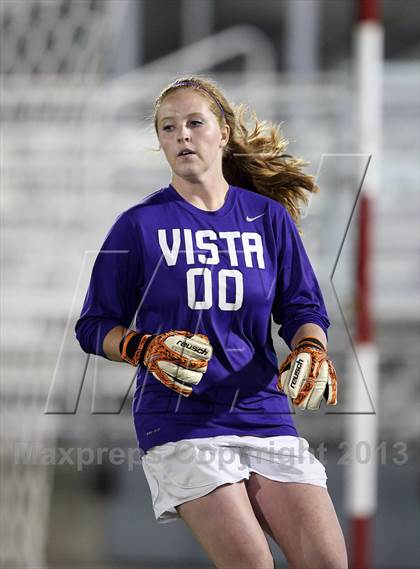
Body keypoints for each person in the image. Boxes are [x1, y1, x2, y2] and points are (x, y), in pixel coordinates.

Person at [75, 75, 348, 569]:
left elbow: (303, 309)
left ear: (222, 132)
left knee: (328, 562)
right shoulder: (139, 225)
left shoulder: (267, 218)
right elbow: (94, 324)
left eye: (194, 123)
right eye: (167, 127)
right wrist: (143, 348)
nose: (181, 136)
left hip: (265, 414)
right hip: (181, 422)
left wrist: (311, 348)